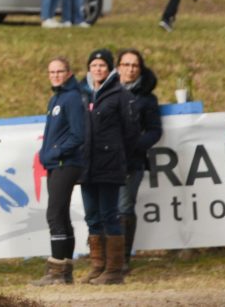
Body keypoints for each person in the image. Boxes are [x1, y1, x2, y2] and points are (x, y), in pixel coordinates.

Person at [78, 49, 136, 285]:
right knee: (92, 216)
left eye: (102, 65)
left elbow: (130, 132)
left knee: (110, 215)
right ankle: (97, 265)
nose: (98, 69)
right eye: (94, 65)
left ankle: (114, 270)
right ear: (89, 69)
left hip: (110, 165)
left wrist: (121, 157)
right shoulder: (82, 94)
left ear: (110, 69)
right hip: (86, 165)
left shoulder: (120, 95)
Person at [32, 57, 86, 286]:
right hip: (56, 164)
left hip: (67, 163)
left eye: (59, 71)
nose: (55, 75)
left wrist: (55, 152)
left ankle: (55, 271)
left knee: (54, 214)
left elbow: (78, 135)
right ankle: (65, 272)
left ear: (69, 73)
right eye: (51, 71)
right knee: (61, 215)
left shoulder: (72, 98)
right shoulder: (56, 98)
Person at [116, 49, 162, 275]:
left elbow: (155, 131)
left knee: (124, 208)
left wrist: (134, 145)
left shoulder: (147, 98)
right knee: (106, 210)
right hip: (105, 162)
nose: (130, 69)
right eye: (125, 64)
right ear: (118, 68)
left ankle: (123, 258)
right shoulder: (107, 92)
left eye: (134, 65)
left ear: (140, 69)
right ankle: (105, 257)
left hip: (131, 162)